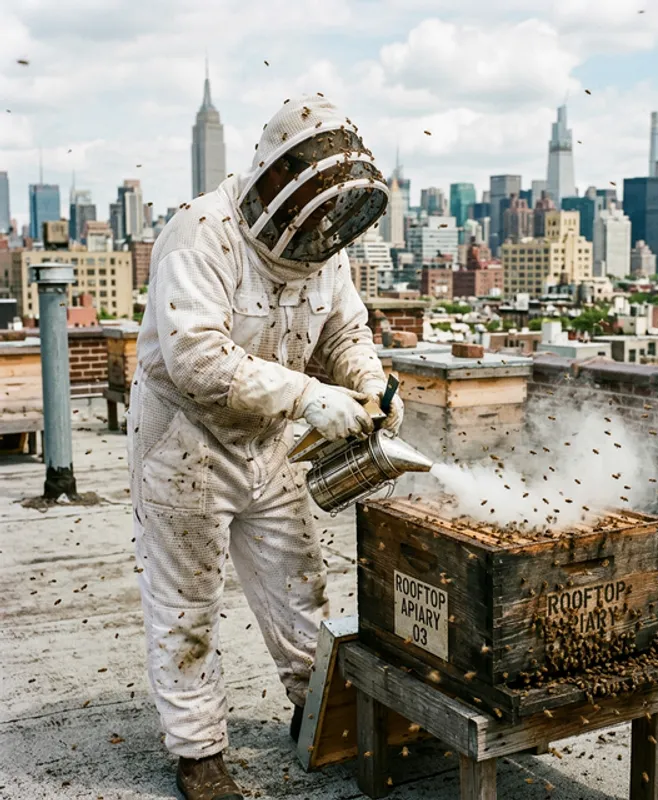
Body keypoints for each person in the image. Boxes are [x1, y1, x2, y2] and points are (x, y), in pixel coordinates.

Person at [127, 94, 404, 800]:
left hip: (271, 443)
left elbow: (344, 333)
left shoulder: (325, 249)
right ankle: (198, 753)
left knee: (301, 588)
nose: (315, 233)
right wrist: (310, 397)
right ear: (276, 176)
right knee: (187, 605)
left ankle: (314, 712)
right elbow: (197, 359)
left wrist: (370, 385)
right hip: (185, 444)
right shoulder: (200, 233)